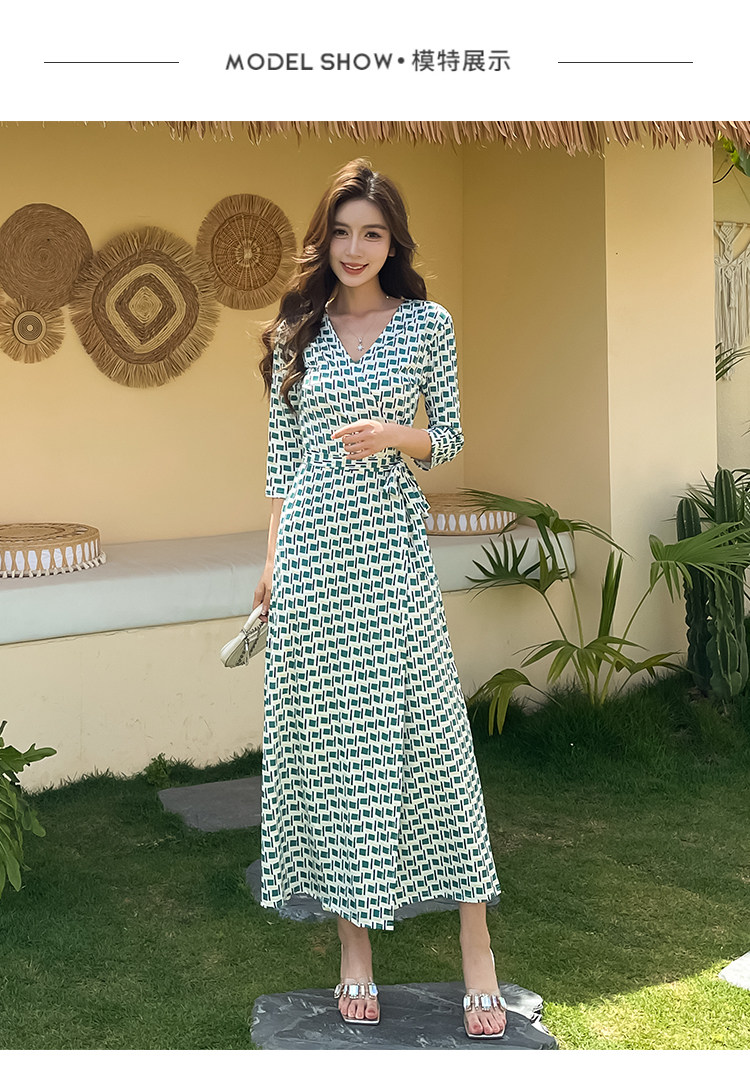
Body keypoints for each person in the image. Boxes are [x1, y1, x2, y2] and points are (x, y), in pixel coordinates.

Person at [253, 158, 506, 1040]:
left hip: (392, 557)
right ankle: (352, 946)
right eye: (341, 231)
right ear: (322, 239)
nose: (354, 248)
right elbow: (281, 467)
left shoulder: (427, 324)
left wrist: (399, 434)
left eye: (372, 233)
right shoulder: (295, 333)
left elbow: (451, 437)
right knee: (333, 750)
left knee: (433, 738)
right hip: (313, 559)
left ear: (393, 242)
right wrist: (271, 567)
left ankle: (477, 942)